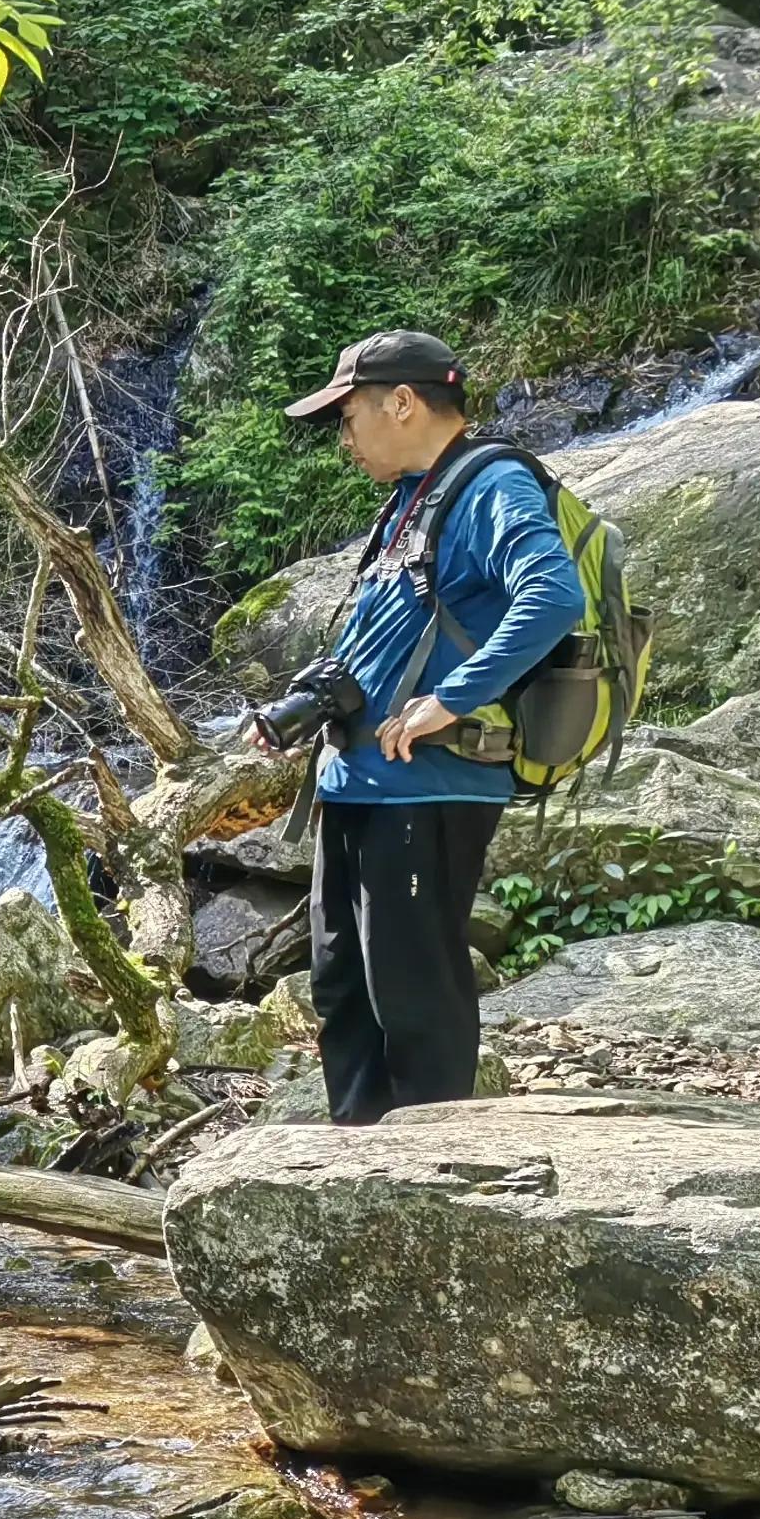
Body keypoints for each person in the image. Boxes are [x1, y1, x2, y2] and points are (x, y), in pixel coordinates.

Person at [270, 329, 587, 1123]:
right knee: (344, 986)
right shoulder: (413, 499)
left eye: (347, 418)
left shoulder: (492, 486)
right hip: (360, 787)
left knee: (413, 993)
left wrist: (451, 699)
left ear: (402, 403)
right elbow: (382, 643)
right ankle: (358, 1160)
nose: (343, 440)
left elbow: (552, 596)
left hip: (429, 787)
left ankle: (434, 1176)